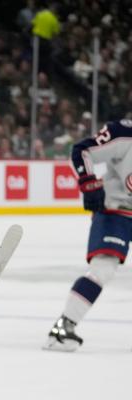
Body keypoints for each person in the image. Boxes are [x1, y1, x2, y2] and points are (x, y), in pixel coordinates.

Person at [45, 119, 132, 351]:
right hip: (117, 210)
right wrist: (88, 182)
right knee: (103, 268)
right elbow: (81, 150)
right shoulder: (123, 133)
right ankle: (63, 328)